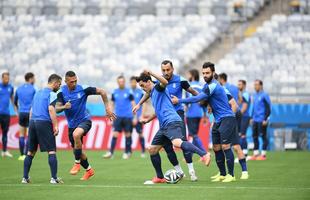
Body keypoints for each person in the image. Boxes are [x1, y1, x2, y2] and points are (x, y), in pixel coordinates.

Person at [134, 70, 211, 184]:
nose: (142, 88)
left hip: (172, 121)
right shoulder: (152, 93)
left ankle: (204, 154)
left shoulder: (158, 88)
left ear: (149, 82)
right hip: (164, 126)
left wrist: (151, 72)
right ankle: (159, 177)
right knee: (152, 149)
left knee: (176, 143)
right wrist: (147, 120)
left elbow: (164, 82)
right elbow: (157, 112)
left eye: (142, 85)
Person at [172, 62, 237, 183]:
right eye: (203, 73)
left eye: (207, 73)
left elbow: (198, 98)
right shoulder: (206, 86)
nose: (205, 75)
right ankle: (222, 174)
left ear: (213, 73)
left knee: (226, 146)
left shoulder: (213, 85)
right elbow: (206, 99)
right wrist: (210, 106)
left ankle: (231, 175)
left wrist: (179, 100)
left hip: (227, 118)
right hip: (217, 120)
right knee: (216, 147)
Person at [56, 71, 116, 180]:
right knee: (78, 150)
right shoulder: (61, 92)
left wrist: (107, 108)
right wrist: (64, 107)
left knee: (76, 135)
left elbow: (102, 92)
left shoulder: (83, 89)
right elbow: (57, 108)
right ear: (65, 82)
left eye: (75, 81)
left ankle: (76, 163)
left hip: (85, 120)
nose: (74, 83)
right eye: (71, 82)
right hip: (71, 125)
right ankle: (89, 170)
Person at [22, 74, 63, 184]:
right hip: (44, 122)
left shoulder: (37, 93)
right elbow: (51, 109)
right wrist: (55, 125)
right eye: (59, 84)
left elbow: (31, 110)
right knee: (51, 151)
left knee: (30, 151)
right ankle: (54, 178)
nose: (59, 86)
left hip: (33, 122)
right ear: (54, 83)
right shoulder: (52, 94)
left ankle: (25, 178)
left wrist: (31, 124)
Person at [103, 75, 136, 159]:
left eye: (122, 81)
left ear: (124, 82)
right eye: (119, 81)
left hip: (128, 116)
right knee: (115, 134)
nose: (121, 83)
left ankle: (127, 152)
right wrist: (110, 115)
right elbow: (112, 104)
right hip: (118, 116)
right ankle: (111, 152)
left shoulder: (129, 92)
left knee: (128, 134)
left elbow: (133, 103)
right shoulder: (115, 92)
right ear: (117, 82)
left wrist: (135, 117)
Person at [14, 72, 36, 161]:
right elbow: (35, 102)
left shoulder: (19, 89)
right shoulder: (33, 89)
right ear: (30, 79)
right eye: (34, 78)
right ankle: (27, 153)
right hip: (29, 113)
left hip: (21, 113)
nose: (35, 80)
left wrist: (19, 109)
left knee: (21, 134)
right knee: (29, 134)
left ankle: (21, 155)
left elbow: (15, 102)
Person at [185, 69, 207, 154]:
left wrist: (185, 109)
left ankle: (205, 153)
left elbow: (188, 101)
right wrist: (205, 115)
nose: (188, 76)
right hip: (199, 113)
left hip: (191, 114)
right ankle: (191, 155)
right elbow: (204, 101)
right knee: (194, 135)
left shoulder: (189, 87)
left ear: (192, 76)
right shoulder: (201, 87)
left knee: (193, 135)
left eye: (189, 74)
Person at [250, 79, 271, 160]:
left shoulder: (265, 95)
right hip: (255, 119)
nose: (255, 86)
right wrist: (252, 117)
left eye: (256, 85)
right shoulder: (255, 95)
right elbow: (254, 108)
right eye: (254, 85)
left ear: (261, 85)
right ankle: (255, 154)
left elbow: (268, 108)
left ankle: (263, 155)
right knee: (254, 136)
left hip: (262, 119)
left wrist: (265, 119)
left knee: (263, 136)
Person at [130, 76, 146, 158]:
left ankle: (143, 151)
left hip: (138, 116)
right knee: (128, 134)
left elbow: (143, 104)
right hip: (129, 117)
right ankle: (129, 152)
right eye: (131, 82)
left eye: (134, 82)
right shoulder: (128, 92)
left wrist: (142, 115)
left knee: (140, 134)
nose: (133, 84)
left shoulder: (140, 92)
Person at [0, 72, 14, 158]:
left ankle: (4, 151)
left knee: (5, 133)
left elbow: (12, 99)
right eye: (5, 78)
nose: (7, 80)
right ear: (2, 78)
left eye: (8, 78)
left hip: (6, 114)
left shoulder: (10, 87)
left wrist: (16, 110)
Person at [237, 80, 251, 158]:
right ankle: (242, 153)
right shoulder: (240, 94)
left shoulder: (245, 94)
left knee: (242, 134)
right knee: (239, 134)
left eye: (240, 84)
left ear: (244, 85)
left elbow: (244, 107)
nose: (238, 86)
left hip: (244, 116)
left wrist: (239, 114)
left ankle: (244, 154)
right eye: (238, 84)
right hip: (240, 116)